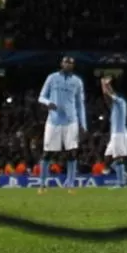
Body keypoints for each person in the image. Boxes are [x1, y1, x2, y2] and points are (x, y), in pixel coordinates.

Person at [37, 56, 86, 194]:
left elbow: (80, 104)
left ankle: (70, 185)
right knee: (48, 153)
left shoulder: (77, 81)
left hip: (71, 121)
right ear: (61, 64)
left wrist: (84, 124)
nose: (68, 65)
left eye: (71, 63)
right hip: (53, 121)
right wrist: (48, 103)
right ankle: (42, 185)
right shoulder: (52, 78)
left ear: (73, 66)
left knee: (72, 153)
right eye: (66, 62)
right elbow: (41, 96)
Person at [100, 76, 127, 188]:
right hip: (116, 134)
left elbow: (108, 96)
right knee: (107, 157)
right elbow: (107, 97)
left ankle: (121, 183)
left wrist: (105, 84)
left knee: (118, 157)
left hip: (119, 133)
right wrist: (104, 84)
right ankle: (123, 174)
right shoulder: (115, 107)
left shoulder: (120, 102)